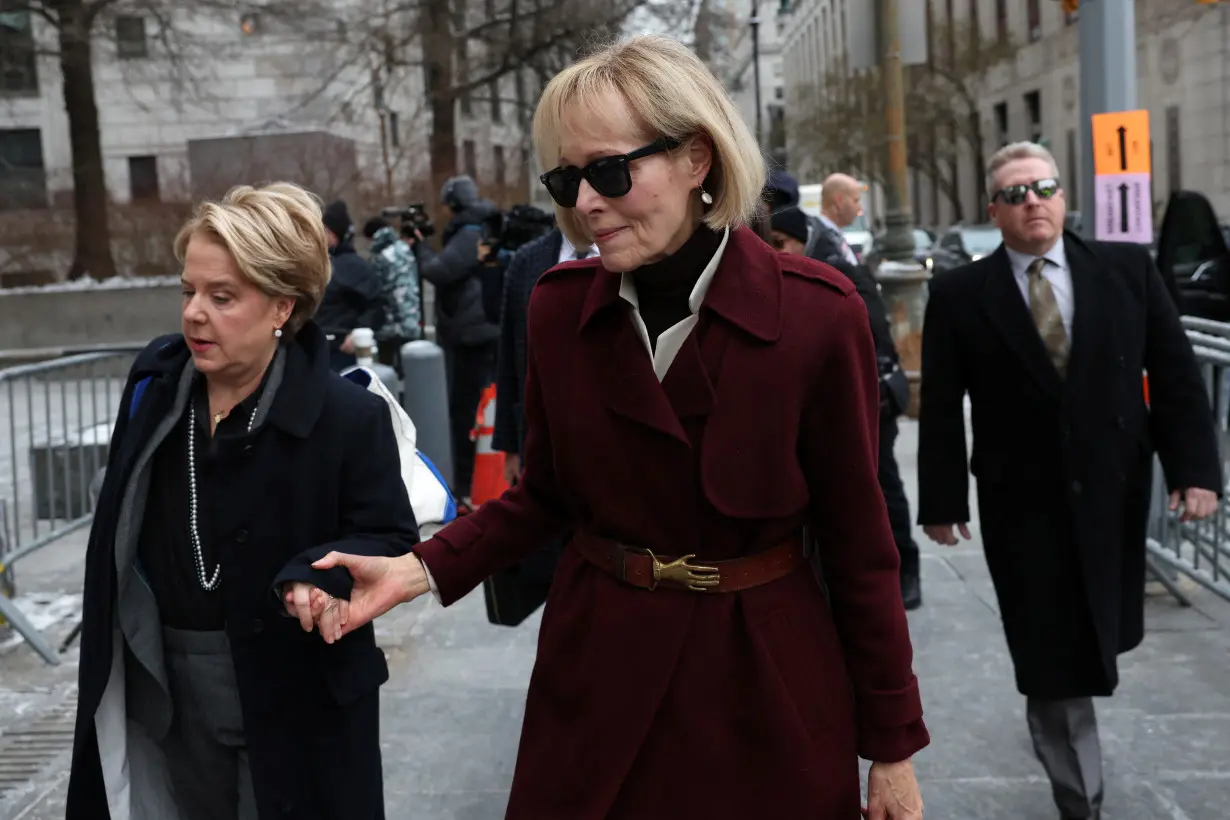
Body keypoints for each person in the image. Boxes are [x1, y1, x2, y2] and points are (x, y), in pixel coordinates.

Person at [300, 35, 928, 819]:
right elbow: (545, 498)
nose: (585, 203)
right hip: (599, 669)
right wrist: (416, 570)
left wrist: (891, 748)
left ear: (697, 158)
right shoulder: (560, 309)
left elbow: (860, 548)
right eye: (568, 179)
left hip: (765, 678)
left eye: (608, 171)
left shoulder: (816, 313)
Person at [66, 183, 420, 820]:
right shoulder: (155, 385)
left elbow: (390, 539)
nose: (195, 313)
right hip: (168, 689)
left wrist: (316, 578)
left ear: (282, 305)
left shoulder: (349, 417)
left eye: (221, 296)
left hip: (297, 694)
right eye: (188, 291)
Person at [917, 141, 1222, 820]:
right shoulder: (961, 294)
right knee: (1047, 651)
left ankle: (1069, 727)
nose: (1034, 202)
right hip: (1018, 501)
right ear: (994, 210)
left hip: (1112, 491)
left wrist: (1196, 472)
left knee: (1097, 635)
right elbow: (940, 404)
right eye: (1017, 193)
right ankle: (1079, 793)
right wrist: (941, 501)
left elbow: (1174, 378)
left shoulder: (1124, 270)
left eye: (1045, 187)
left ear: (1064, 197)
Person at [771, 192, 923, 608]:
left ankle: (907, 570)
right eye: (769, 243)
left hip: (869, 403)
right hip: (821, 413)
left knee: (882, 486)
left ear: (802, 242)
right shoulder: (773, 282)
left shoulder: (838, 276)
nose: (776, 251)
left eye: (783, 242)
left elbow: (874, 340)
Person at [413, 175, 502, 511]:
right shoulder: (480, 227)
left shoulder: (469, 232)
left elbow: (438, 271)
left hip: (470, 332)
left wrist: (420, 246)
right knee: (478, 405)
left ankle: (467, 482)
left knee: (465, 408)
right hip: (478, 328)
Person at [315, 200, 386, 371]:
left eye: (324, 231)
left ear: (334, 234)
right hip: (317, 350)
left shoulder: (354, 267)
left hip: (341, 351)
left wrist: (357, 334)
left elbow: (377, 305)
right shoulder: (319, 263)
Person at [363, 216, 423, 370]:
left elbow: (375, 290)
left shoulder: (379, 256)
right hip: (411, 319)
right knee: (411, 371)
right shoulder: (404, 248)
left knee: (387, 372)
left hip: (390, 325)